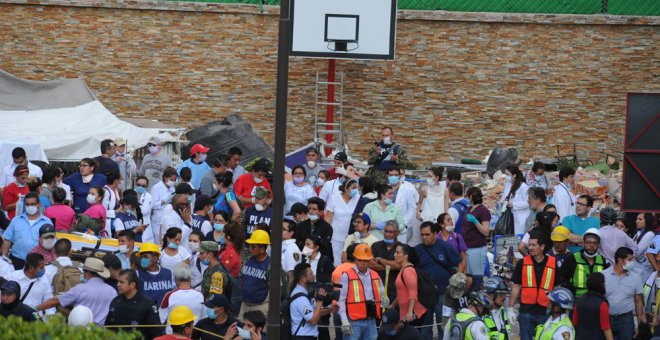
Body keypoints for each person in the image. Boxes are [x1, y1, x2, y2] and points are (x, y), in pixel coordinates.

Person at [35, 257, 117, 325]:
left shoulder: (80, 289)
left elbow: (54, 301)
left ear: (87, 273)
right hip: (102, 332)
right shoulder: (112, 291)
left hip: (81, 331)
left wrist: (34, 308)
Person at [509, 230, 561, 340]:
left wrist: (557, 309)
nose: (530, 247)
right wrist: (510, 308)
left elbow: (557, 287)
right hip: (526, 311)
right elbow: (516, 286)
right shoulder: (522, 263)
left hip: (545, 311)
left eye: (534, 245)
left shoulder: (553, 262)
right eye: (529, 244)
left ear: (542, 247)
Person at [415, 221, 462, 338]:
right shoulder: (417, 250)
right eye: (422, 235)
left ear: (435, 233)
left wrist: (457, 281)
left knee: (444, 325)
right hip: (424, 295)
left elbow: (460, 262)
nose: (424, 237)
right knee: (425, 326)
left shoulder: (444, 246)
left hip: (443, 294)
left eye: (427, 234)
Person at [337, 243, 385, 340]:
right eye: (360, 260)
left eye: (366, 260)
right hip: (353, 321)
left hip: (371, 320)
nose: (363, 263)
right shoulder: (347, 276)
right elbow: (341, 300)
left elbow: (383, 295)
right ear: (355, 259)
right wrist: (344, 320)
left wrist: (385, 300)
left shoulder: (375, 275)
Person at [106, 269, 164, 338]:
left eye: (121, 282)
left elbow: (156, 333)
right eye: (118, 282)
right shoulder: (115, 302)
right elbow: (108, 329)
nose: (118, 285)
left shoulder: (148, 303)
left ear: (132, 285)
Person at [603, 247, 645, 340]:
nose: (632, 262)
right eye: (630, 260)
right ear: (620, 260)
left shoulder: (636, 278)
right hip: (607, 318)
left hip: (626, 320)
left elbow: (639, 302)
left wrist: (639, 323)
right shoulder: (603, 275)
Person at [2, 192, 52, 269]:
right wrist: (3, 257)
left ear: (38, 204)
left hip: (37, 263)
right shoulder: (16, 220)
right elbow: (7, 239)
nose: (30, 206)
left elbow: (50, 243)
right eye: (27, 204)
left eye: (33, 204)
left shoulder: (46, 222)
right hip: (16, 260)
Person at [290, 262, 336, 339]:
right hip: (302, 337)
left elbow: (313, 313)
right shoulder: (301, 298)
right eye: (311, 274)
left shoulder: (305, 293)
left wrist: (328, 311)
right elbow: (313, 320)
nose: (314, 276)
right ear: (303, 278)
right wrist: (320, 301)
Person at [558, 228, 605, 299]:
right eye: (588, 242)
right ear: (583, 243)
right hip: (576, 301)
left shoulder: (602, 260)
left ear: (599, 245)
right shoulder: (572, 258)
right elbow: (562, 280)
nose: (591, 245)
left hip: (596, 301)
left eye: (594, 243)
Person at [159, 262, 205, 331]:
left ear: (176, 279)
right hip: (194, 334)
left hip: (172, 335)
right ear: (190, 278)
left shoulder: (169, 295)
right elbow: (204, 317)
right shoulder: (200, 295)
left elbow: (161, 319)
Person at [325, 178, 360, 266]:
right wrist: (326, 233)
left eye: (357, 187)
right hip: (336, 235)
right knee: (338, 261)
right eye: (353, 187)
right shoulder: (334, 198)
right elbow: (328, 216)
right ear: (346, 188)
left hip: (352, 236)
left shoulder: (358, 198)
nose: (356, 190)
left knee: (352, 261)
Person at [389, 244, 426, 325]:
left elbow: (413, 293)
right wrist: (393, 305)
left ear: (406, 256)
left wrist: (410, 312)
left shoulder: (408, 270)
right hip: (405, 312)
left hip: (413, 313)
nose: (394, 255)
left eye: (398, 253)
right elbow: (401, 292)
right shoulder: (403, 269)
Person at [573, 272, 614, 340]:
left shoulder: (579, 301)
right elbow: (606, 329)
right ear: (601, 285)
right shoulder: (602, 304)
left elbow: (574, 323)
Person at [240, 230, 271, 318]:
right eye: (249, 245)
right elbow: (242, 279)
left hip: (261, 307)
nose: (250, 248)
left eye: (253, 246)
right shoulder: (248, 259)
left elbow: (276, 290)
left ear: (262, 249)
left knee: (258, 332)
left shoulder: (270, 265)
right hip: (245, 305)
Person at [369, 221, 401, 303]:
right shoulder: (376, 246)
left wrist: (380, 260)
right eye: (386, 231)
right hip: (377, 287)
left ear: (397, 233)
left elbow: (398, 265)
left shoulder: (402, 248)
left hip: (394, 289)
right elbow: (370, 264)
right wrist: (390, 266)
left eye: (391, 232)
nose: (387, 234)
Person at [462, 186, 490, 276]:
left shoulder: (483, 210)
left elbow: (486, 231)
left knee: (477, 276)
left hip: (477, 248)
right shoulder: (469, 209)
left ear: (470, 197)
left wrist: (475, 221)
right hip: (467, 247)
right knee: (469, 277)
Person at [388, 166, 419, 243]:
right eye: (391, 175)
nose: (393, 177)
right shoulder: (384, 189)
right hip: (386, 227)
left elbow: (412, 209)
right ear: (387, 176)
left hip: (401, 227)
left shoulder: (407, 190)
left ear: (399, 176)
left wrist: (403, 225)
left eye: (395, 175)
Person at [500, 165, 531, 235]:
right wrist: (502, 202)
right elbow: (504, 197)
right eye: (505, 174)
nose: (506, 176)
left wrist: (514, 204)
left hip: (521, 218)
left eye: (508, 174)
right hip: (510, 216)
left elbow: (528, 202)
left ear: (514, 175)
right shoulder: (508, 185)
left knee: (519, 236)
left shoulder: (523, 186)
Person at [150, 166, 178, 243]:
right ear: (165, 178)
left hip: (168, 218)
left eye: (174, 180)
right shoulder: (156, 188)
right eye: (171, 179)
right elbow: (152, 205)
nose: (173, 181)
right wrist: (163, 201)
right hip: (158, 220)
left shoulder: (172, 188)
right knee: (158, 242)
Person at [631, 213, 656, 281]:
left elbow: (637, 251)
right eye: (637, 219)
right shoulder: (638, 233)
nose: (637, 221)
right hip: (634, 269)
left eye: (640, 219)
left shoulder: (649, 234)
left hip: (642, 270)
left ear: (647, 221)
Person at [134, 175, 154, 242]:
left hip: (145, 225)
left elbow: (144, 211)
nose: (140, 187)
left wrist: (135, 204)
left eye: (143, 186)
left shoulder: (148, 197)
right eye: (139, 184)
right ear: (135, 184)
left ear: (147, 187)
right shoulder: (131, 193)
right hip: (133, 224)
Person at [102, 170, 122, 236]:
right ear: (116, 181)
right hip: (107, 223)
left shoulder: (115, 190)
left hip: (114, 221)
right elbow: (102, 212)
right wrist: (116, 211)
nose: (121, 182)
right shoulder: (105, 191)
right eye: (120, 179)